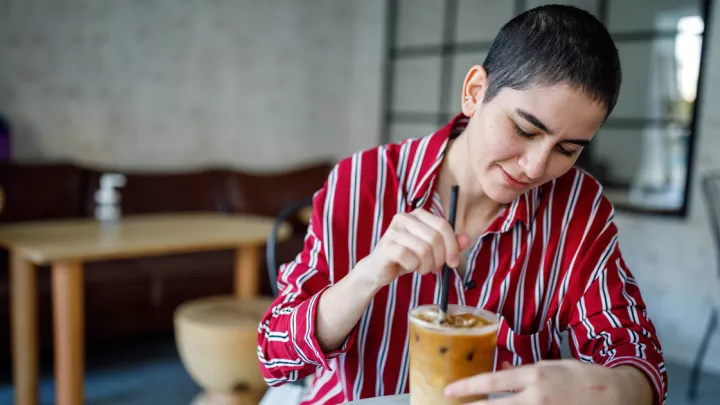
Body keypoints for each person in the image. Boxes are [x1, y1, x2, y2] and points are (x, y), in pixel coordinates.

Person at [257, 5, 666, 405]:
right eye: (524, 129)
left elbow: (634, 349)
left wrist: (616, 390)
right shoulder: (362, 180)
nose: (535, 167)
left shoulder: (578, 206)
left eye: (567, 149)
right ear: (474, 93)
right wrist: (367, 275)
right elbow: (274, 356)